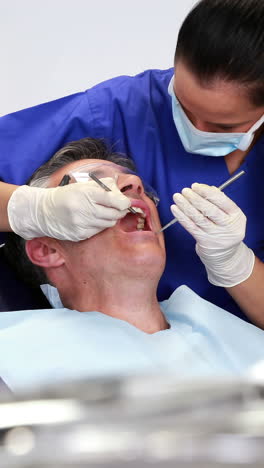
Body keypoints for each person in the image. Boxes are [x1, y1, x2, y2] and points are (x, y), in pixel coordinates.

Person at [0, 0, 263, 321]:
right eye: (183, 105)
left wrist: (237, 265)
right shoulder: (117, 110)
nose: (134, 181)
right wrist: (29, 209)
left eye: (222, 126)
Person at [1, 138, 264, 393]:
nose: (134, 182)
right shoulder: (13, 354)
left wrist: (236, 263)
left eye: (133, 180)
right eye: (94, 182)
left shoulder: (221, 329)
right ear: (48, 251)